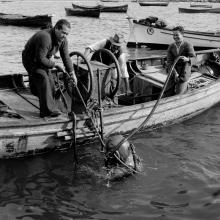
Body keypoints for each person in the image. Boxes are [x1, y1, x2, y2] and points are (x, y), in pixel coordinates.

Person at [22, 19, 77, 118]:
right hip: (31, 60)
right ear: (56, 28)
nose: (65, 36)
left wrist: (72, 73)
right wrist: (54, 65)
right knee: (43, 78)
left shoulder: (63, 40)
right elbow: (40, 59)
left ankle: (48, 106)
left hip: (42, 58)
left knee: (51, 83)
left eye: (67, 34)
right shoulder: (45, 37)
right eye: (63, 33)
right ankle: (47, 111)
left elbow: (66, 57)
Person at [166, 26, 196, 95]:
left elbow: (194, 59)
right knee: (167, 91)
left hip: (184, 72)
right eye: (173, 35)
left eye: (177, 35)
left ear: (182, 35)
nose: (175, 37)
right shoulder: (171, 46)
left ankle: (186, 88)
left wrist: (188, 59)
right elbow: (169, 62)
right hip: (173, 71)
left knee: (180, 94)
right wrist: (175, 73)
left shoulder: (188, 45)